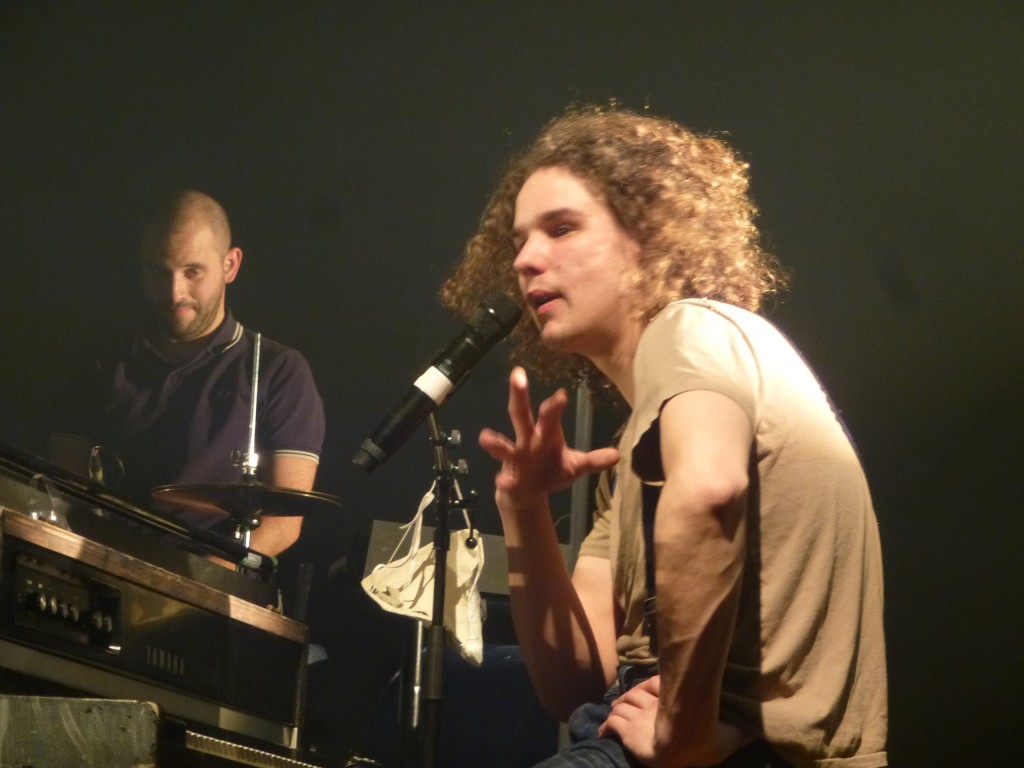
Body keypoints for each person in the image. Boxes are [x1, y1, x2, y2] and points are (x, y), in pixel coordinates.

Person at [440, 106, 887, 768]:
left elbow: (708, 493)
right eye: (519, 242)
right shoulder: (636, 457)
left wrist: (682, 733)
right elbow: (572, 683)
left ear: (650, 235)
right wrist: (525, 508)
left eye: (562, 228)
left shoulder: (692, 328)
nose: (527, 260)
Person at [50, 189, 326, 561]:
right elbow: (65, 490)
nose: (174, 292)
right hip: (104, 565)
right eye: (158, 271)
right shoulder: (100, 362)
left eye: (192, 272)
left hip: (210, 580)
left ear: (230, 265)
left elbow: (284, 524)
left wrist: (197, 577)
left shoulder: (280, 370)